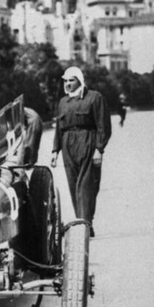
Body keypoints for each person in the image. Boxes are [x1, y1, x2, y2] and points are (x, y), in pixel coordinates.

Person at [51, 66, 112, 237]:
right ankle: (82, 222)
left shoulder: (94, 97)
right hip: (67, 145)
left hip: (87, 142)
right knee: (73, 184)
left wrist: (99, 149)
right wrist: (55, 151)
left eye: (71, 80)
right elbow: (58, 128)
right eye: (66, 81)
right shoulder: (63, 102)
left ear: (80, 80)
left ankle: (85, 224)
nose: (68, 84)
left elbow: (103, 125)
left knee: (86, 185)